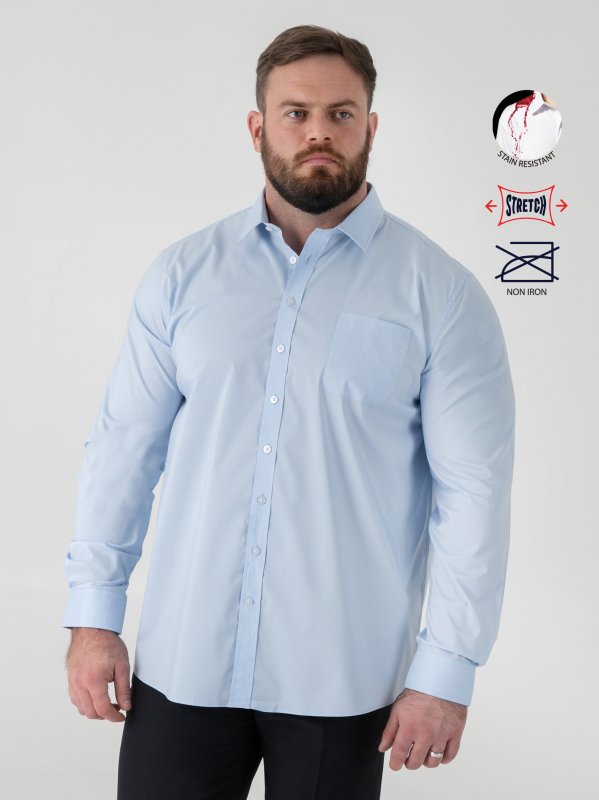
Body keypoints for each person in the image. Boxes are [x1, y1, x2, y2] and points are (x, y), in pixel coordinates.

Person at [62, 24, 516, 800]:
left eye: (340, 114)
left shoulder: (439, 295)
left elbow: (472, 494)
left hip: (342, 684)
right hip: (184, 665)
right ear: (257, 127)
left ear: (370, 127)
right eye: (295, 113)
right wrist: (93, 619)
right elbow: (122, 453)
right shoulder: (182, 275)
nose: (318, 133)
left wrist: (445, 670)